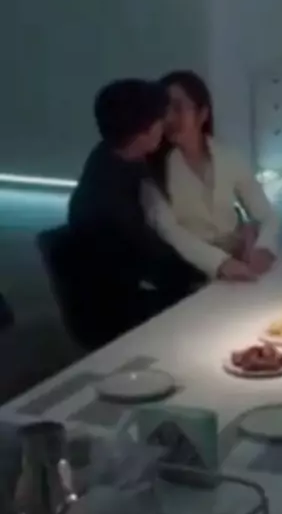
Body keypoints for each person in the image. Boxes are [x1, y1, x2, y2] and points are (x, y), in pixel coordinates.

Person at [68, 79, 205, 337]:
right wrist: (213, 266)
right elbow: (157, 260)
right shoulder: (109, 203)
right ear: (145, 132)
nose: (165, 125)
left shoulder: (114, 155)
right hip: (118, 309)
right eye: (160, 120)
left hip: (135, 283)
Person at [141, 71, 280, 282]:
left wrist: (264, 247)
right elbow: (170, 231)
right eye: (164, 110)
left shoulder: (229, 156)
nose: (169, 118)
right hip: (190, 274)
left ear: (202, 114)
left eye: (178, 108)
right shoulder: (153, 170)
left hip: (241, 262)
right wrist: (221, 263)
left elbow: (267, 214)